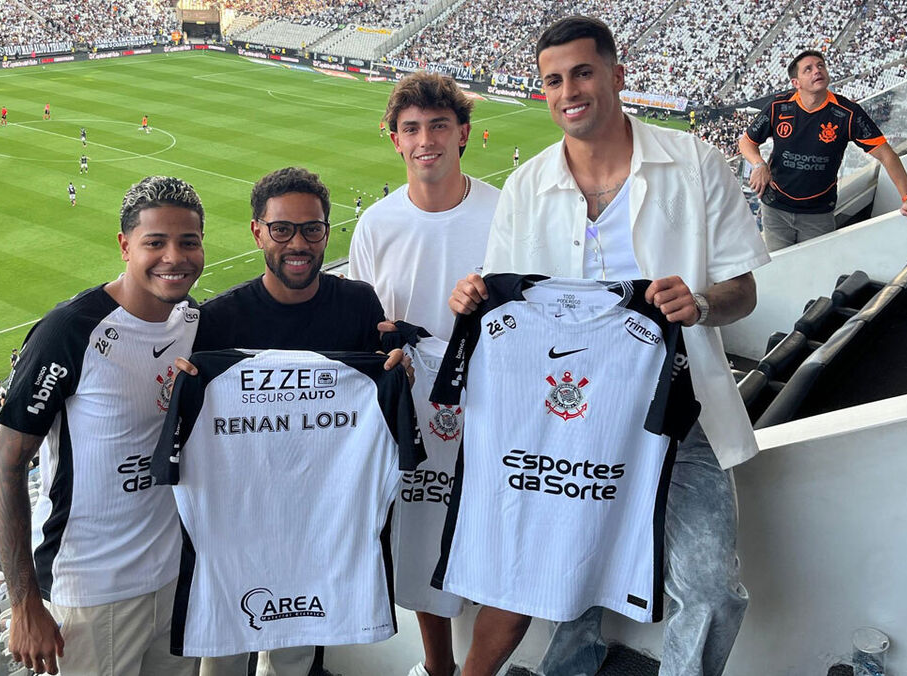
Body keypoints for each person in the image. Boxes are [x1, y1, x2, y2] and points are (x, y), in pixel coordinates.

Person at [449, 16, 766, 676]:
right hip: (566, 420)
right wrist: (473, 297)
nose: (568, 91)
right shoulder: (527, 187)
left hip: (681, 409)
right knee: (569, 569)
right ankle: (570, 664)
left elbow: (744, 290)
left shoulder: (695, 164)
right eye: (553, 80)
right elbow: (507, 303)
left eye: (583, 73)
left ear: (617, 76)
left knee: (711, 587)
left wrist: (702, 304)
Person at [184, 166, 402, 676]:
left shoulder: (359, 304)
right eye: (281, 229)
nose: (298, 243)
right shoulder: (218, 320)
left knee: (298, 658)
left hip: (321, 519)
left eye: (311, 229)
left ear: (327, 231)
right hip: (238, 519)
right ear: (257, 231)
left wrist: (396, 374)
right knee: (223, 655)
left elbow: (379, 403)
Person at [0, 176, 206, 676]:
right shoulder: (69, 331)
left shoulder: (194, 321)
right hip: (90, 593)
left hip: (175, 578)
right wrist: (24, 603)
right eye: (155, 242)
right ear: (125, 246)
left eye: (188, 241)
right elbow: (5, 464)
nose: (174, 257)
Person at [349, 70, 501, 676]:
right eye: (411, 129)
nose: (425, 140)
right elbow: (367, 325)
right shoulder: (376, 224)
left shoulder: (504, 212)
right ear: (395, 140)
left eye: (439, 125)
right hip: (410, 406)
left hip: (493, 401)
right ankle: (439, 667)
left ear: (463, 133)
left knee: (497, 534)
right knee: (418, 534)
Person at [739, 49, 907, 251]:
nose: (817, 71)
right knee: (781, 264)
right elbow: (747, 142)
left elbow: (886, 155)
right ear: (796, 83)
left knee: (818, 265)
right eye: (808, 69)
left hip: (818, 213)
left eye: (820, 66)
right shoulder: (779, 106)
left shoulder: (848, 113)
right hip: (775, 208)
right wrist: (759, 164)